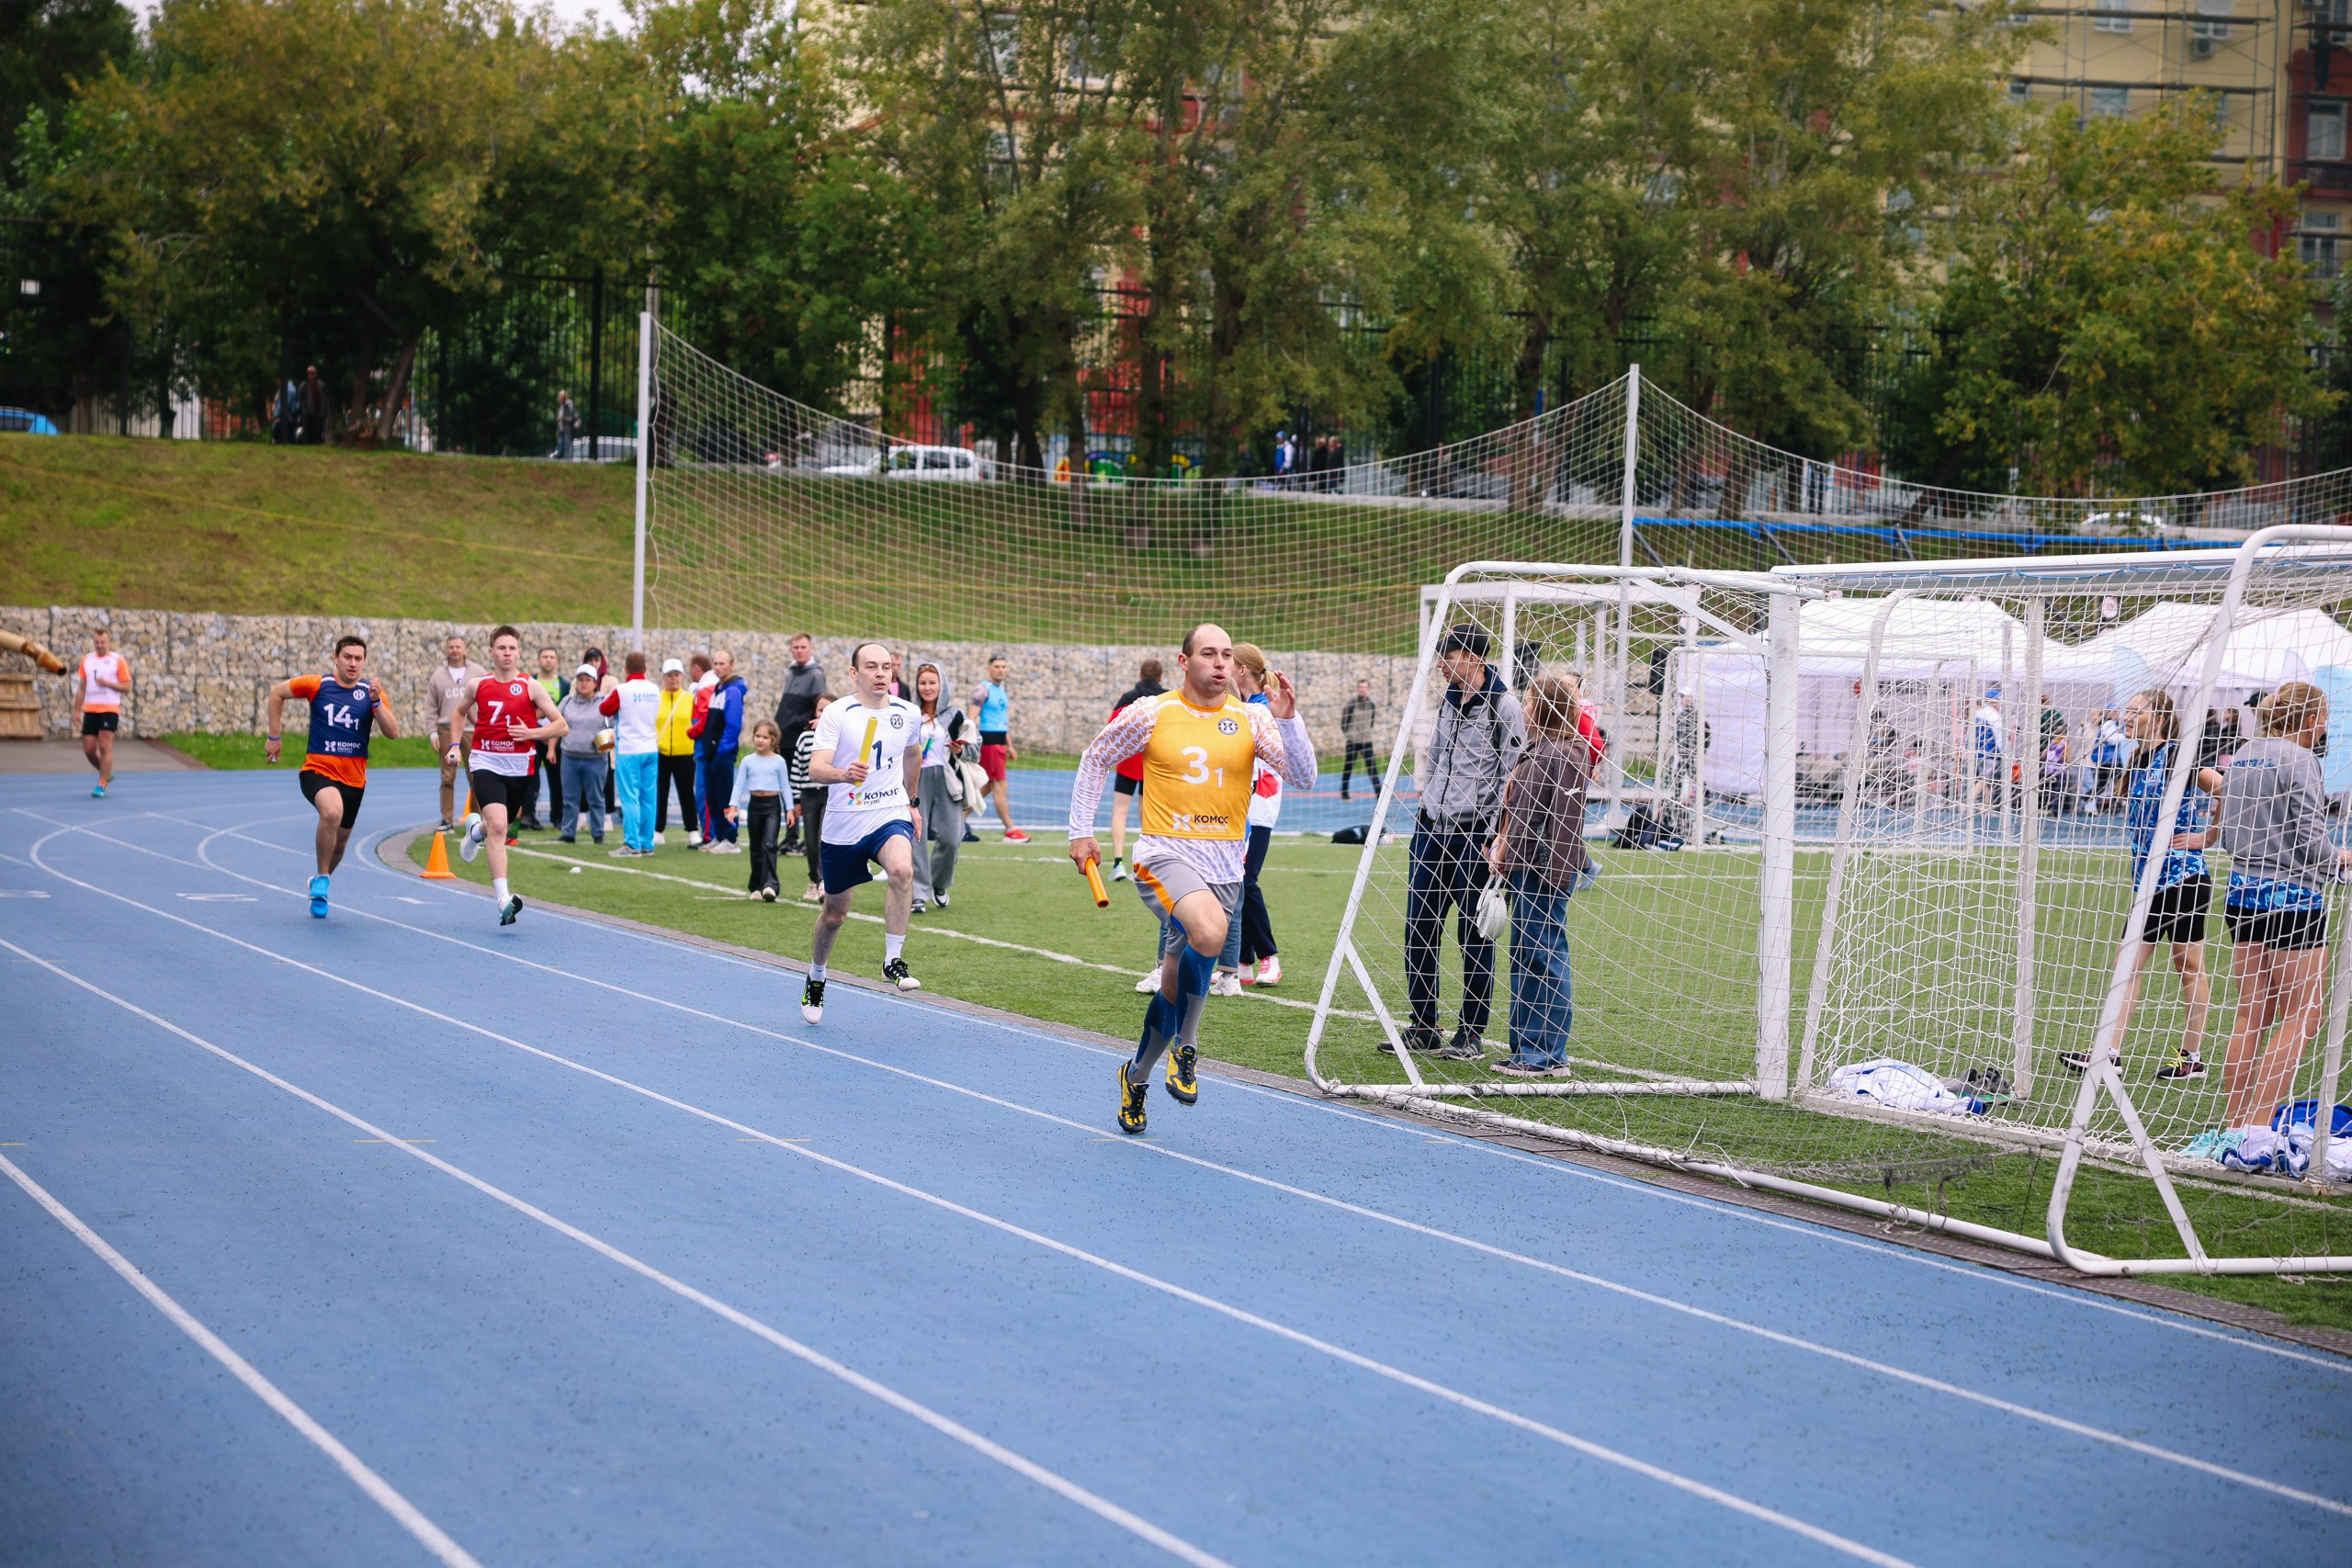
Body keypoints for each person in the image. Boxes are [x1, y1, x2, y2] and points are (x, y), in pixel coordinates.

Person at [1069, 623, 1316, 1134]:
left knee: (1176, 984)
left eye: (1227, 654)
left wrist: (1290, 722)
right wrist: (1080, 832)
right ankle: (1189, 1047)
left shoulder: (1251, 718)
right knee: (1209, 931)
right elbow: (1096, 757)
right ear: (1185, 662)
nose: (1221, 663)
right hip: (1164, 855)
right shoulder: (1153, 712)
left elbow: (1304, 776)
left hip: (1226, 864)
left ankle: (1135, 1077)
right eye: (1209, 654)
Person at [2193, 682, 2352, 1156]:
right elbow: (2310, 838)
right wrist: (2340, 860)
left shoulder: (2242, 754)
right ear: (2308, 720)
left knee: (2250, 1015)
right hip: (2291, 900)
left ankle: (2235, 1128)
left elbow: (2227, 834)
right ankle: (2258, 1133)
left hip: (2241, 895)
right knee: (2305, 1013)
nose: (2325, 728)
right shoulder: (2301, 759)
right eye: (2322, 719)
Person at [2062, 689, 2216, 1083]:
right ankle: (2108, 1053)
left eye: (2135, 711)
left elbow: (2225, 788)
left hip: (2184, 876)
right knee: (2126, 965)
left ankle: (2192, 1056)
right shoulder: (2136, 757)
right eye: (2126, 711)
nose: (2127, 717)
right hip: (2147, 882)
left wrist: (2208, 837)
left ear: (2159, 717)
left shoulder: (2179, 755)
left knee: (2188, 966)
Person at [1403, 626, 1528, 1059]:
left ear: (1473, 658)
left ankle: (1470, 1034)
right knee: (1419, 925)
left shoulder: (1504, 706)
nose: (1441, 663)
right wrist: (1428, 802)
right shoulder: (1448, 701)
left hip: (1477, 836)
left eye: (1448, 655)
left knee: (1474, 936)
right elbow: (1436, 757)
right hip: (1432, 829)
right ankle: (1422, 1026)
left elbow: (1512, 775)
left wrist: (1500, 836)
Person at [799, 646, 926, 1023]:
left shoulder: (908, 713)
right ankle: (817, 975)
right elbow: (815, 767)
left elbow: (912, 754)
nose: (880, 673)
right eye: (871, 666)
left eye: (886, 666)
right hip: (844, 822)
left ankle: (893, 960)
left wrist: (912, 802)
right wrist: (843, 773)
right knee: (835, 914)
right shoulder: (839, 712)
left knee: (902, 870)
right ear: (854, 673)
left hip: (889, 811)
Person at [1487, 675, 1592, 1077]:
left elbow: (1564, 825)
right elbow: (1520, 812)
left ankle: (1547, 1055)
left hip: (1544, 873)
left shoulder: (1564, 754)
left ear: (1546, 707)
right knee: (1527, 957)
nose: (1524, 709)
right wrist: (1500, 844)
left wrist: (1555, 875)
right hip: (1523, 868)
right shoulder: (1537, 750)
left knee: (1544, 958)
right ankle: (1525, 1048)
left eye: (1529, 702)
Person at [265, 635, 398, 918]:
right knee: (331, 812)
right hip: (318, 770)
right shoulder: (318, 684)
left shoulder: (371, 692)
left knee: (340, 844)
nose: (353, 663)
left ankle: (319, 879)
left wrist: (376, 703)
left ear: (364, 661)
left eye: (358, 658)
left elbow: (392, 732)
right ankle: (323, 879)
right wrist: (274, 736)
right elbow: (276, 693)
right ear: (335, 658)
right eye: (347, 657)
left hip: (354, 780)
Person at [449, 626, 567, 926]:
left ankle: (476, 832)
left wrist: (532, 733)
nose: (507, 653)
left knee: (495, 828)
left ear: (519, 652)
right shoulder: (478, 685)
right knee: (500, 826)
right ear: (491, 652)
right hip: (486, 762)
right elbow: (459, 713)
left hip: (520, 767)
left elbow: (561, 725)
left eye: (512, 648)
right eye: (501, 648)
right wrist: (453, 745)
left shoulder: (531, 686)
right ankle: (502, 898)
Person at [1219, 642, 1283, 990]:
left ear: (1241, 670)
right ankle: (1241, 963)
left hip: (1260, 805)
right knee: (1237, 881)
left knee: (1246, 880)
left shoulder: (1261, 709)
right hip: (1242, 805)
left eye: (1229, 660)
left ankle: (1269, 955)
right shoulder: (1245, 707)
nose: (1223, 665)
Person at [910, 663, 968, 911]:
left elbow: (973, 749)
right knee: (916, 836)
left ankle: (939, 883)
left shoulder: (954, 715)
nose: (927, 688)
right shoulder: (909, 713)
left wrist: (962, 749)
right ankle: (918, 894)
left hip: (947, 778)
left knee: (952, 837)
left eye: (932, 682)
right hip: (916, 778)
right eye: (923, 683)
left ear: (941, 685)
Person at [1103, 659, 1167, 879]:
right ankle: (1146, 865)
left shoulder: (1127, 698)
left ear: (1140, 675)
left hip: (1128, 761)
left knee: (1120, 811)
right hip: (1155, 763)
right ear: (1160, 677)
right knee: (1148, 814)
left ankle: (1118, 863)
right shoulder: (1166, 699)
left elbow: (1111, 729)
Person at [599, 651, 662, 856]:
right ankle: (647, 842)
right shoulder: (654, 689)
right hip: (650, 748)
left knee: (630, 798)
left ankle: (632, 843)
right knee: (648, 798)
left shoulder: (622, 690)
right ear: (645, 669)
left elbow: (604, 709)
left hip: (629, 750)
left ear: (626, 669)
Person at [773, 633, 827, 845]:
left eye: (803, 647)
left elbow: (820, 708)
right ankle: (791, 835)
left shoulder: (815, 675)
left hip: (800, 740)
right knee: (788, 788)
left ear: (810, 648)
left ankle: (807, 837)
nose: (799, 651)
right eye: (795, 647)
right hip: (785, 740)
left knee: (804, 789)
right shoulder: (792, 672)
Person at [967, 655, 1029, 841]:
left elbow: (1002, 721)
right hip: (990, 744)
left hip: (1000, 743)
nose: (1001, 669)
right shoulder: (983, 689)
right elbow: (970, 719)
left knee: (986, 787)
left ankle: (956, 822)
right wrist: (968, 741)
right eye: (997, 666)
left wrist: (1009, 745)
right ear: (989, 668)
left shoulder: (1001, 690)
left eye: (1003, 666)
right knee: (1000, 786)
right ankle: (1010, 830)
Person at [428, 634, 484, 831]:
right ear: (446, 649)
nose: (454, 650)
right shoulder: (438, 676)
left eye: (458, 646)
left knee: (476, 777)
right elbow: (431, 707)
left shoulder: (478, 672)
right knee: (447, 777)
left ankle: (476, 820)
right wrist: (432, 733)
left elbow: (485, 700)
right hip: (446, 730)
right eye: (451, 647)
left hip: (472, 730)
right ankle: (447, 820)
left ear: (465, 649)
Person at [729, 720, 789, 900]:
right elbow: (739, 785)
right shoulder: (748, 760)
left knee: (770, 844)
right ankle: (756, 886)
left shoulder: (779, 761)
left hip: (773, 806)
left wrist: (790, 810)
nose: (760, 740)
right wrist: (733, 806)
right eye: (757, 736)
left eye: (765, 737)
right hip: (754, 806)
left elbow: (785, 786)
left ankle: (771, 885)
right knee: (756, 847)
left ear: (773, 740)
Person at [74, 626, 133, 797]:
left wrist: (108, 683)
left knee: (104, 745)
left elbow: (127, 686)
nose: (99, 645)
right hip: (91, 709)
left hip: (109, 708)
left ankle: (102, 783)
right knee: (89, 749)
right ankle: (106, 771)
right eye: (97, 642)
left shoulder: (117, 660)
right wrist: (77, 711)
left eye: (103, 642)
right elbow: (82, 687)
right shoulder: (87, 660)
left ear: (109, 642)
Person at [698, 648, 747, 852]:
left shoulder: (733, 691)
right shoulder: (718, 689)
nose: (717, 667)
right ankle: (719, 835)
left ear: (731, 666)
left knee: (725, 796)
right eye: (715, 663)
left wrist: (721, 750)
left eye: (722, 664)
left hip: (722, 754)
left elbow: (733, 725)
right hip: (711, 752)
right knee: (712, 796)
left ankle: (730, 837)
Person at [554, 665, 609, 843]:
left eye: (588, 680)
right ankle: (568, 832)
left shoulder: (604, 703)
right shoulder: (567, 702)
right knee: (569, 797)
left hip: (595, 759)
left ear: (595, 683)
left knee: (596, 798)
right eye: (581, 680)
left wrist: (605, 745)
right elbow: (556, 724)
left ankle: (598, 833)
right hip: (569, 756)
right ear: (576, 682)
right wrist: (550, 749)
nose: (584, 684)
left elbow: (614, 726)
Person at [789, 692, 831, 901]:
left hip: (829, 793)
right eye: (820, 710)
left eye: (828, 710)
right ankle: (813, 879)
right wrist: (796, 799)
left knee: (824, 837)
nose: (823, 714)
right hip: (808, 795)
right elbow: (797, 768)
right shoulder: (805, 737)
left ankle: (825, 881)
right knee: (811, 841)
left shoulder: (838, 737)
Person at [655, 658, 700, 846]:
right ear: (664, 677)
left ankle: (692, 830)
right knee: (660, 792)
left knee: (687, 793)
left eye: (677, 675)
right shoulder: (656, 697)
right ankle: (658, 829)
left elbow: (697, 723)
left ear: (682, 676)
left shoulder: (690, 698)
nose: (673, 679)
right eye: (669, 675)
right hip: (661, 752)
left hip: (685, 752)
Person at [1339, 678, 1378, 801]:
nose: (1362, 689)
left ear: (1368, 689)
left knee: (1372, 768)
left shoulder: (1371, 705)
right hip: (1353, 740)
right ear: (1357, 689)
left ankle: (1379, 793)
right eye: (1360, 687)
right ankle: (1344, 793)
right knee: (1348, 767)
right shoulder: (1351, 705)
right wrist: (1350, 734)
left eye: (1365, 687)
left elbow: (1371, 721)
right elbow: (1343, 723)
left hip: (1366, 741)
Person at [556, 389, 580, 460]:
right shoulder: (561, 407)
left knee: (566, 452)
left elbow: (571, 418)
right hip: (561, 430)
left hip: (567, 430)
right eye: (560, 396)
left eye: (562, 396)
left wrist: (563, 419)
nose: (560, 398)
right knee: (560, 451)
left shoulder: (568, 405)